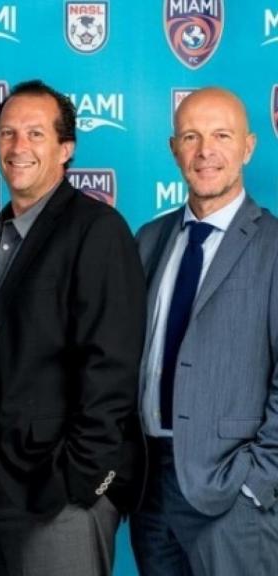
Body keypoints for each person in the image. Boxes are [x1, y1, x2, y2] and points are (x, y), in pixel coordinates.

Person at [0, 80, 146, 576]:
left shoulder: (96, 229)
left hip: (60, 492)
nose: (18, 147)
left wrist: (80, 480)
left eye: (36, 134)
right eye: (7, 133)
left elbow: (112, 366)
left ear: (67, 149)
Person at [130, 87, 278, 575]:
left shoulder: (273, 246)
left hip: (231, 494)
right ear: (174, 149)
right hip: (151, 485)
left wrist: (257, 481)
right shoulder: (150, 239)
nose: (204, 151)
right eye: (190, 136)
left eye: (221, 135)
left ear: (249, 147)